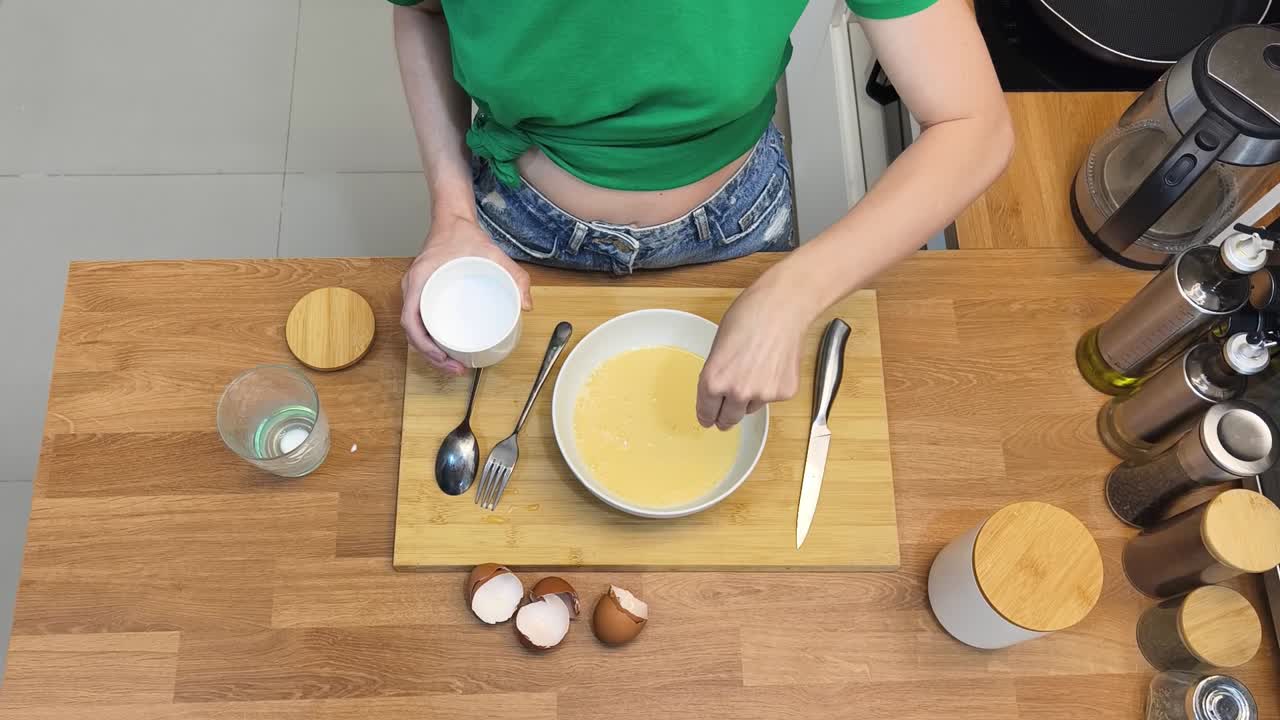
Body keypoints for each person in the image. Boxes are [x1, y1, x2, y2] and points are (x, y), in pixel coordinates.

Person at [392, 0, 1012, 430]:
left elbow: (973, 126)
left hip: (737, 220)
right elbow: (423, 14)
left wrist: (792, 293)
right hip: (514, 220)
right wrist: (453, 216)